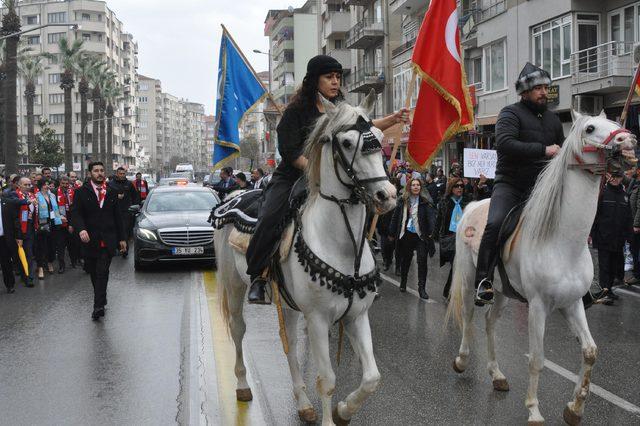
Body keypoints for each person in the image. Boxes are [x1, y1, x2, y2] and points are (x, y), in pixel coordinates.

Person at [245, 54, 410, 304]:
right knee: (270, 216)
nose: (335, 82)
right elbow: (290, 152)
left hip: (333, 179)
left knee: (358, 210)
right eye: (329, 77)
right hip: (293, 176)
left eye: (338, 77)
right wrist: (316, 172)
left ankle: (363, 272)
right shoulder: (296, 111)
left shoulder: (342, 108)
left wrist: (393, 119)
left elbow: (362, 127)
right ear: (314, 80)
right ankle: (259, 275)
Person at [474, 63, 564, 305]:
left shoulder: (554, 120)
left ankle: (580, 282)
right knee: (495, 223)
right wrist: (543, 150)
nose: (544, 92)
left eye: (546, 87)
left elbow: (561, 153)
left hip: (542, 188)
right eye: (538, 88)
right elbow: (504, 144)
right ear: (524, 91)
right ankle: (483, 280)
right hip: (511, 184)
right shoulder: (509, 113)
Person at [70, 162, 126, 320]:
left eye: (102, 170)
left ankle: (98, 306)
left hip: (107, 240)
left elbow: (118, 217)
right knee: (94, 273)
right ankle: (101, 298)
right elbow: (76, 213)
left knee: (102, 272)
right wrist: (81, 229)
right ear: (90, 174)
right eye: (96, 171)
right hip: (89, 239)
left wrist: (122, 238)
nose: (100, 173)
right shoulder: (81, 192)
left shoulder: (112, 192)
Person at [388, 178, 437, 299]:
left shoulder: (425, 201)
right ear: (409, 187)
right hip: (407, 235)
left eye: (418, 185)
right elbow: (395, 218)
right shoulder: (403, 201)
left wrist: (432, 232)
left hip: (421, 236)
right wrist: (391, 232)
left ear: (421, 187)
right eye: (413, 185)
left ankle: (422, 288)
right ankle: (403, 281)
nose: (416, 187)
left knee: (422, 261)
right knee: (406, 260)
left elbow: (431, 218)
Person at [591, 171, 633, 305]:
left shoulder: (624, 196)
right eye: (613, 177)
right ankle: (604, 292)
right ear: (610, 178)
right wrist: (592, 233)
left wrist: (629, 235)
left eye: (618, 177)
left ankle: (609, 290)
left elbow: (628, 217)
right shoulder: (603, 193)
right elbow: (595, 215)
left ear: (621, 178)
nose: (615, 180)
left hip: (618, 238)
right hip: (604, 236)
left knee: (613, 266)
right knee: (604, 266)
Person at [434, 177, 472, 300]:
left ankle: (450, 291)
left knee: (458, 264)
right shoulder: (444, 202)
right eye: (457, 186)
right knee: (456, 264)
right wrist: (433, 237)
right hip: (449, 238)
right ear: (451, 188)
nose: (460, 188)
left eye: (461, 186)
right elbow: (439, 220)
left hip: (464, 238)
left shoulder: (467, 201)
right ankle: (450, 291)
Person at [107, 167, 139, 258]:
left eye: (123, 173)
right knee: (114, 230)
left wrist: (134, 207)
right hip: (113, 211)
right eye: (120, 173)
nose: (122, 175)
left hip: (126, 212)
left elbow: (135, 196)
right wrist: (116, 196)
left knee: (124, 230)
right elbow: (106, 196)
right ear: (116, 174)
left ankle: (125, 250)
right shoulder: (110, 184)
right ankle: (116, 248)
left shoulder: (129, 184)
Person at [34, 180, 63, 279]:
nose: (47, 186)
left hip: (53, 223)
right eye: (44, 184)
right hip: (42, 224)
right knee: (41, 246)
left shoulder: (52, 196)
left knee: (52, 245)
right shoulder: (36, 196)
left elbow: (56, 209)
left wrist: (60, 218)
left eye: (47, 184)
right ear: (40, 186)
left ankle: (50, 262)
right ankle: (41, 267)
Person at [14, 177, 37, 287]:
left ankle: (28, 275)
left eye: (29, 185)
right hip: (20, 229)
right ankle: (27, 276)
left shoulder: (31, 195)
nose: (28, 187)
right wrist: (18, 233)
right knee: (25, 253)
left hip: (31, 226)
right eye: (26, 185)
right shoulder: (15, 196)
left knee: (29, 253)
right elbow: (15, 217)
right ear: (19, 185)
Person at [57, 175, 79, 270]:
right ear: (60, 183)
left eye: (67, 184)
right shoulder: (54, 192)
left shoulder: (73, 192)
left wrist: (72, 224)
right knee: (61, 246)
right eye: (63, 183)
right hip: (59, 223)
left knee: (72, 244)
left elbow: (76, 208)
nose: (65, 185)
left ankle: (74, 262)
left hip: (71, 222)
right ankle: (62, 266)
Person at [0, 197, 18, 293]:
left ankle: (10, 285)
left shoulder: (7, 203)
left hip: (4, 238)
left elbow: (15, 220)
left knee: (6, 262)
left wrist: (18, 236)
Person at [626, 166, 640, 285]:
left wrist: (636, 224)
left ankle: (637, 274)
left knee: (636, 250)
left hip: (637, 226)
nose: (634, 170)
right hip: (633, 223)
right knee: (634, 249)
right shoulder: (635, 183)